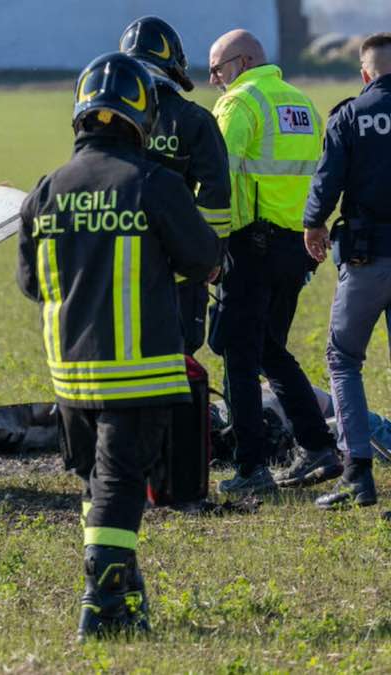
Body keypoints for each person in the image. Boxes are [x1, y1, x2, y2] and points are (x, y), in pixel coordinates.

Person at [17, 53, 218, 639]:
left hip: (71, 375)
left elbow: (31, 283)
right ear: (140, 116)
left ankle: (127, 598)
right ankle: (99, 606)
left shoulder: (47, 190)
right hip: (140, 371)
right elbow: (204, 256)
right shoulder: (153, 183)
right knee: (122, 484)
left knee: (98, 483)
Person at [207, 29, 341, 495]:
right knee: (268, 349)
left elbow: (217, 177)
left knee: (238, 355)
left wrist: (210, 244)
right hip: (297, 248)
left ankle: (252, 469)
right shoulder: (301, 103)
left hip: (250, 244)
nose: (214, 80)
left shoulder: (240, 103)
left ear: (241, 64)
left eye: (217, 69)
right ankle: (319, 446)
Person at [303, 33, 391, 509]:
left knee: (343, 360)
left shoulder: (350, 116)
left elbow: (326, 181)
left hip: (366, 259)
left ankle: (358, 472)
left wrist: (312, 226)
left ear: (364, 74)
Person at [120, 16, 231, 352]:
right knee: (180, 347)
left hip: (117, 258)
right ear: (173, 64)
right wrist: (212, 255)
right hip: (178, 264)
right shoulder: (193, 118)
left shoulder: (108, 119)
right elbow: (216, 194)